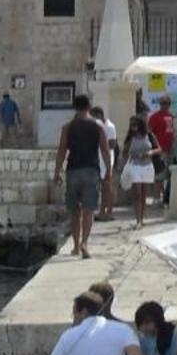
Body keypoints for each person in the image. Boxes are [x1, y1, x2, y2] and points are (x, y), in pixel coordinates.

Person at [25, 290, 146, 355]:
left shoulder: (68, 336)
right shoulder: (124, 330)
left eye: (74, 314)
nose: (73, 318)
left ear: (83, 312)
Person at [53, 96, 105, 259]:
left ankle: (75, 245)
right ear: (89, 106)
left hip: (73, 170)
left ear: (74, 107)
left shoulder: (68, 127)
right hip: (91, 170)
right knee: (88, 210)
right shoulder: (98, 126)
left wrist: (57, 171)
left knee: (74, 211)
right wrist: (108, 172)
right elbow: (104, 150)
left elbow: (62, 150)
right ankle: (85, 243)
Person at [122, 113, 157, 227]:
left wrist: (150, 153)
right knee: (137, 193)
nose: (133, 127)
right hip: (135, 165)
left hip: (147, 165)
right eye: (132, 125)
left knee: (144, 193)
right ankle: (138, 220)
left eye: (135, 125)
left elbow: (158, 148)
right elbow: (125, 151)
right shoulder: (130, 137)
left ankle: (142, 219)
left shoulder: (149, 135)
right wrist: (128, 155)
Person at [93, 103, 119, 222]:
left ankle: (109, 211)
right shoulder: (98, 126)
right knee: (103, 187)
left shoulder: (110, 126)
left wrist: (101, 144)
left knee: (107, 186)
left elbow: (112, 144)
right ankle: (102, 211)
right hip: (99, 158)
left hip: (108, 158)